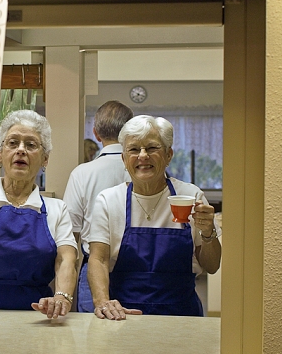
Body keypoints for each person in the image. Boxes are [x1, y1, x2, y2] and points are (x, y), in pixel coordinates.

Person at [87, 115, 221, 320]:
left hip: (182, 317)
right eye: (133, 149)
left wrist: (208, 232)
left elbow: (211, 266)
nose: (142, 156)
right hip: (124, 316)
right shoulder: (109, 200)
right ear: (124, 159)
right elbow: (98, 259)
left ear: (168, 155)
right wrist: (102, 301)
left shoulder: (191, 196)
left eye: (151, 148)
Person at [0, 110, 78, 319]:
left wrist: (62, 296)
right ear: (0, 155)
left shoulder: (56, 209)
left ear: (45, 159)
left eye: (31, 145)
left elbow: (66, 259)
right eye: (12, 143)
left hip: (35, 315)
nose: (21, 150)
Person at [63, 101, 134, 312]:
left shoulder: (82, 174)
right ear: (130, 131)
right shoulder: (146, 169)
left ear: (96, 133)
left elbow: (70, 233)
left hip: (91, 270)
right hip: (138, 271)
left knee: (94, 340)